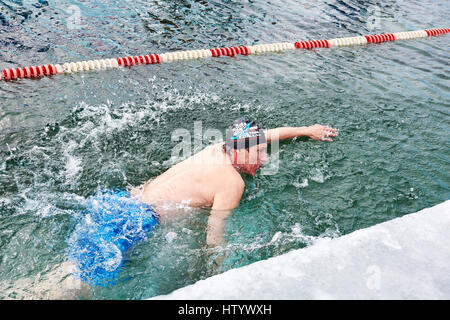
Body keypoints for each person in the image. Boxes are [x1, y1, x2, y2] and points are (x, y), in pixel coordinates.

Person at [62, 118, 338, 292]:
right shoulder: (233, 183)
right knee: (79, 286)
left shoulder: (219, 147)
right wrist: (214, 278)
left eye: (263, 150)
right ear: (240, 151)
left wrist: (305, 130)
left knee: (73, 266)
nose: (265, 159)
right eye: (258, 153)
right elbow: (214, 236)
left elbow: (266, 135)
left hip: (122, 199)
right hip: (139, 221)